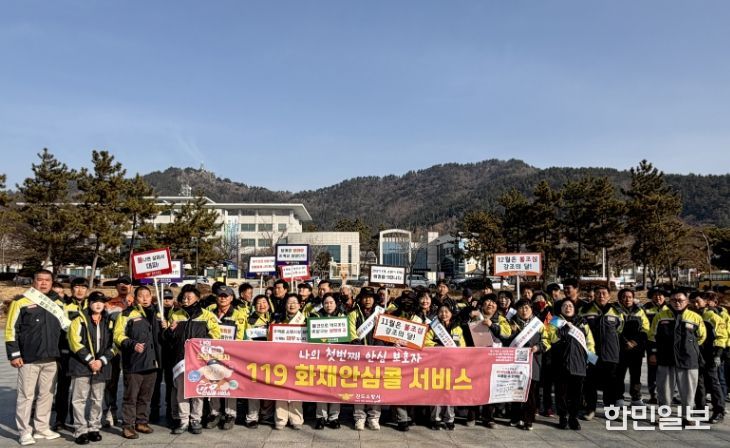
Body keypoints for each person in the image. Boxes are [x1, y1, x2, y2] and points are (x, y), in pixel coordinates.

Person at [5, 269, 64, 445]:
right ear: (34, 281)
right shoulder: (21, 302)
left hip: (51, 357)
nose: (44, 283)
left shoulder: (57, 303)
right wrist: (14, 354)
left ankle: (42, 428)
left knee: (47, 395)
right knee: (26, 396)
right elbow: (11, 329)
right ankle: (24, 431)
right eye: (40, 280)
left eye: (47, 280)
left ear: (52, 283)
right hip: (28, 358)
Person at [166, 285, 221, 434]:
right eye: (183, 297)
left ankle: (195, 419)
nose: (185, 300)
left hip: (199, 360)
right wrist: (170, 330)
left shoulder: (207, 315)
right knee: (182, 391)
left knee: (197, 389)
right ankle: (183, 420)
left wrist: (201, 342)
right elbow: (167, 338)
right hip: (180, 359)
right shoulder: (175, 314)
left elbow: (216, 334)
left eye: (189, 297)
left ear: (197, 298)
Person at [113, 286, 164, 439]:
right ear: (135, 298)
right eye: (141, 296)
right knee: (131, 397)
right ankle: (127, 426)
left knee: (145, 396)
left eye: (147, 295)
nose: (145, 298)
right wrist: (131, 344)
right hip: (134, 363)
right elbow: (117, 335)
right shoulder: (126, 314)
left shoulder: (158, 313)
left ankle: (141, 422)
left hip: (153, 362)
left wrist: (167, 327)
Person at [67, 291, 116, 445]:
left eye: (101, 301)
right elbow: (74, 342)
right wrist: (90, 360)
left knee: (97, 399)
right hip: (81, 364)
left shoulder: (109, 321)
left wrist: (101, 361)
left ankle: (94, 427)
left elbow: (114, 344)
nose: (98, 304)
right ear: (89, 303)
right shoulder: (79, 319)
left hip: (101, 365)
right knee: (79, 399)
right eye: (95, 301)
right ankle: (80, 430)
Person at [648, 291, 706, 421]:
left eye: (680, 300)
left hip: (688, 359)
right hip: (665, 358)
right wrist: (653, 353)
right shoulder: (660, 316)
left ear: (687, 301)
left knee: (688, 390)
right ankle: (664, 415)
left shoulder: (695, 317)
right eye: (674, 300)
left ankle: (687, 416)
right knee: (664, 390)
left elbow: (701, 337)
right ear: (669, 301)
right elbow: (652, 336)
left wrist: (689, 347)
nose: (677, 302)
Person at [579, 284, 624, 420]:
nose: (601, 296)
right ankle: (590, 409)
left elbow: (620, 329)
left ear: (609, 296)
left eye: (604, 293)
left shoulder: (617, 311)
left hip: (610, 354)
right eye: (598, 293)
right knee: (590, 382)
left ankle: (611, 411)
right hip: (591, 354)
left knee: (611, 384)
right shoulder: (585, 310)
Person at [548, 300, 595, 431]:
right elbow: (552, 338)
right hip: (561, 362)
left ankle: (573, 418)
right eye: (565, 306)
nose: (568, 308)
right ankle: (563, 417)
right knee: (561, 393)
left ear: (574, 308)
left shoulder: (582, 322)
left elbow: (590, 342)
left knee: (576, 394)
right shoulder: (555, 321)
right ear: (561, 308)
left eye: (570, 306)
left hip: (579, 362)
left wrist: (591, 360)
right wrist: (564, 330)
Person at [205, 286, 247, 430]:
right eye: (220, 295)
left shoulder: (238, 314)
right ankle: (214, 413)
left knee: (230, 383)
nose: (223, 298)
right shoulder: (209, 311)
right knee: (213, 382)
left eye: (226, 296)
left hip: (230, 354)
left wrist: (231, 351)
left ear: (231, 298)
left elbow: (240, 336)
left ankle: (230, 414)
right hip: (211, 354)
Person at [508, 299, 550, 431]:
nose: (524, 310)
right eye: (521, 308)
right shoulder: (511, 323)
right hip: (515, 364)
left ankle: (528, 419)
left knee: (530, 393)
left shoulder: (538, 325)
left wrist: (538, 347)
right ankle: (515, 417)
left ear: (531, 309)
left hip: (533, 363)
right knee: (515, 391)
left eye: (527, 307)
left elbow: (547, 341)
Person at [424, 303, 466, 430]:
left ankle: (449, 419)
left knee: (450, 393)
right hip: (435, 364)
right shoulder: (433, 327)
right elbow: (425, 341)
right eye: (441, 311)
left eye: (446, 311)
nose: (444, 314)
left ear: (451, 313)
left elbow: (462, 345)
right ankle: (435, 419)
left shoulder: (457, 328)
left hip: (452, 365)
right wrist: (438, 347)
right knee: (436, 392)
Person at [56, 277, 90, 431]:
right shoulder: (64, 305)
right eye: (77, 287)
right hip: (66, 352)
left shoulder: (92, 305)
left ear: (87, 290)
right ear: (71, 289)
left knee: (79, 390)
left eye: (83, 287)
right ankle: (60, 419)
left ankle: (76, 419)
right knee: (63, 387)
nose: (80, 290)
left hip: (83, 352)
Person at [348, 289, 384, 430]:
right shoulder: (353, 314)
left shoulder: (381, 313)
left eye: (370, 297)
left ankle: (374, 417)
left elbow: (385, 333)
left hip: (377, 357)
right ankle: (359, 417)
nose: (367, 300)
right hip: (359, 357)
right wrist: (358, 347)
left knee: (376, 388)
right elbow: (351, 333)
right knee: (358, 388)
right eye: (365, 297)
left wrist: (379, 347)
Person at [690, 292, 727, 424]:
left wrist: (717, 354)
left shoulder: (712, 316)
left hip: (710, 355)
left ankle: (719, 411)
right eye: (693, 301)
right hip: (695, 354)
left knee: (713, 382)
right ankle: (701, 408)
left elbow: (722, 336)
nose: (695, 304)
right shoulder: (691, 316)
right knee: (698, 383)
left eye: (698, 301)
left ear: (705, 301)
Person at [311, 293, 346, 430]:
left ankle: (334, 417)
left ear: (336, 304)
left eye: (331, 302)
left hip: (337, 358)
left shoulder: (343, 317)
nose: (329, 305)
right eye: (326, 303)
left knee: (336, 389)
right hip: (321, 358)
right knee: (321, 388)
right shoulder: (316, 316)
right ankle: (321, 417)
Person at [103, 275, 133, 427]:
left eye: (126, 283)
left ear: (131, 287)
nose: (123, 285)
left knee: (131, 383)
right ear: (116, 287)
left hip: (132, 349)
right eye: (120, 283)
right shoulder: (108, 305)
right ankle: (110, 411)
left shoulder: (137, 302)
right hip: (114, 349)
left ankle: (129, 415)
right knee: (111, 382)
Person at [243, 295, 274, 428]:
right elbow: (244, 337)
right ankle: (252, 417)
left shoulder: (274, 318)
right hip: (254, 358)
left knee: (269, 388)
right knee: (253, 388)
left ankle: (266, 415)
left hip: (272, 358)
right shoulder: (249, 320)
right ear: (254, 306)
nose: (262, 305)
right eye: (258, 303)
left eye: (264, 302)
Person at [616, 288, 650, 406]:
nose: (627, 299)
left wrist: (635, 342)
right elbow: (615, 330)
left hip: (636, 350)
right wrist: (626, 342)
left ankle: (636, 398)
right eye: (624, 297)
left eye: (630, 297)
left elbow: (646, 329)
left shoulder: (640, 311)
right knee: (619, 375)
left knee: (636, 375)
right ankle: (618, 397)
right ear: (620, 299)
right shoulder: (615, 311)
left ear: (633, 298)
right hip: (620, 349)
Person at [642, 287, 668, 403]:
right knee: (652, 370)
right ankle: (653, 395)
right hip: (651, 343)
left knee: (668, 370)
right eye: (655, 295)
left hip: (667, 345)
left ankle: (670, 394)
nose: (658, 297)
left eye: (660, 295)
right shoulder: (645, 308)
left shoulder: (670, 308)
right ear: (651, 296)